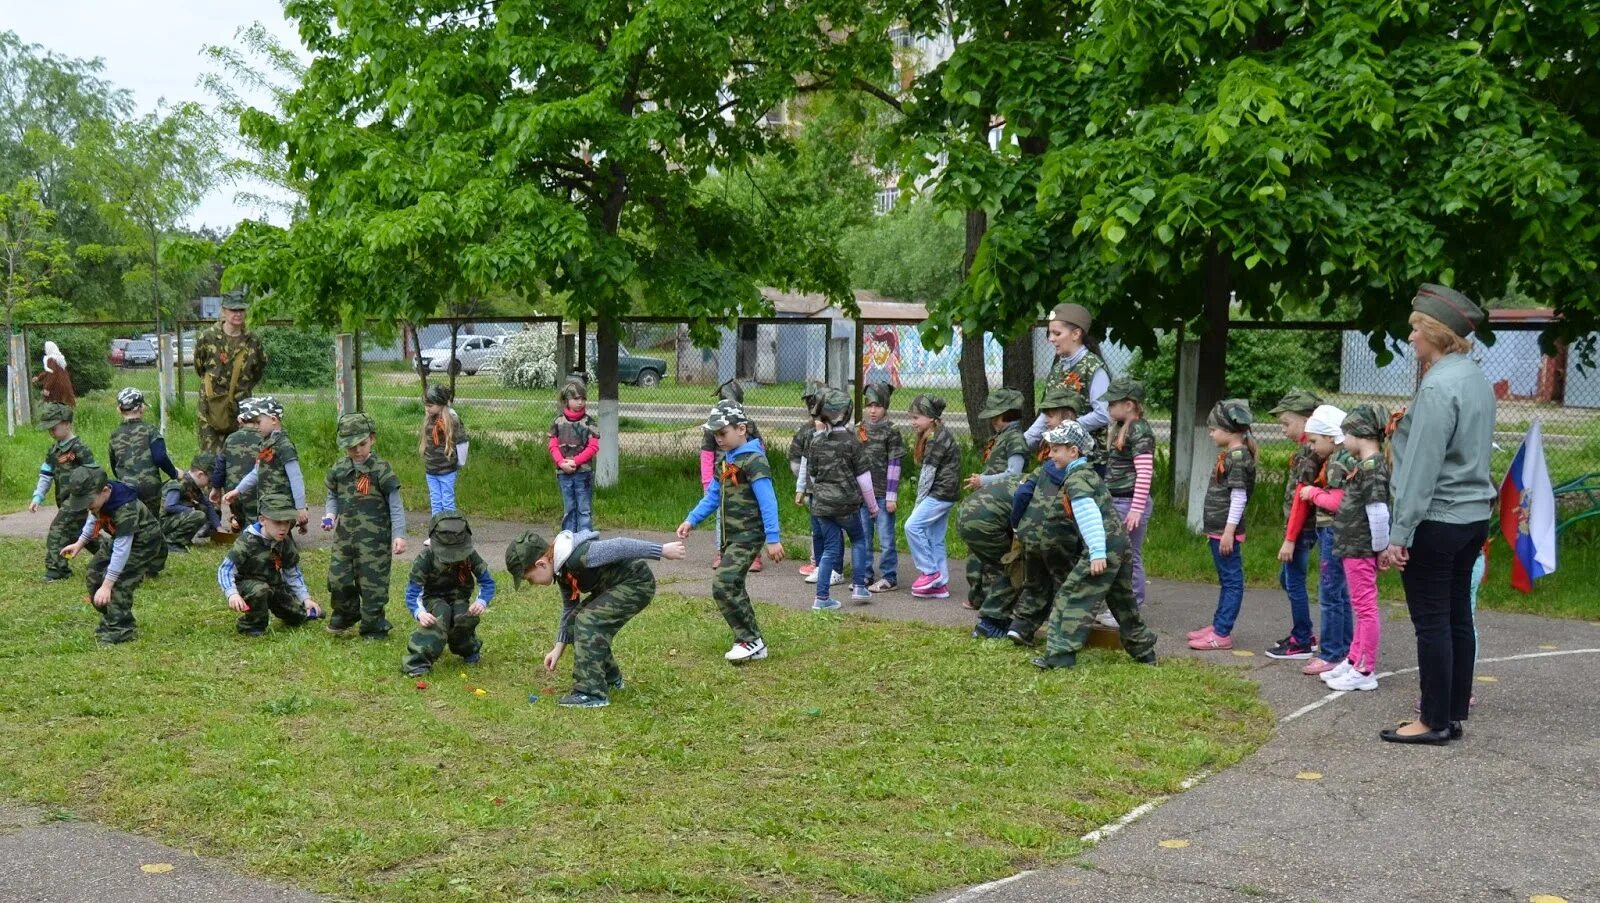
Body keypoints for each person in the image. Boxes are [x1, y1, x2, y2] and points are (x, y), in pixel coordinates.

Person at [1380, 284, 1495, 745]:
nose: (1410, 339)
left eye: (1414, 329)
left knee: (1431, 621)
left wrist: (1399, 532)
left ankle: (1432, 721)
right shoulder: (1474, 379)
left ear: (1435, 332)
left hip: (1438, 518)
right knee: (1456, 618)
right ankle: (1451, 713)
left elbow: (1420, 470)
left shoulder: (1438, 386)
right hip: (1471, 519)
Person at [508, 528, 688, 708]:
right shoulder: (561, 571)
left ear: (541, 564)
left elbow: (620, 546)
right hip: (614, 587)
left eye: (530, 579)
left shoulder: (578, 556)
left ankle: (590, 692)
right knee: (576, 620)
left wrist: (661, 550)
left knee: (588, 621)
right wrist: (558, 648)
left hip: (636, 584)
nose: (532, 584)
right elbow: (569, 609)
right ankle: (611, 678)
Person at [1029, 423, 1159, 669]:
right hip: (1119, 544)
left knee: (1071, 596)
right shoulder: (1089, 474)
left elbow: (1089, 515)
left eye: (1056, 449)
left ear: (1073, 452)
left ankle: (1060, 655)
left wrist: (1097, 553)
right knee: (1122, 600)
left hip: (1103, 547)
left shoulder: (1077, 480)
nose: (1050, 454)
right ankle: (1143, 650)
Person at [677, 400, 783, 664]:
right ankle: (753, 642)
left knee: (723, 583)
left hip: (748, 536)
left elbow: (768, 500)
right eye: (715, 434)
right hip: (730, 537)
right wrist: (691, 520)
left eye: (722, 433)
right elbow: (713, 496)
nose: (718, 439)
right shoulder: (726, 461)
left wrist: (773, 538)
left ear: (742, 429)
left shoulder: (754, 460)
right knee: (732, 585)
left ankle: (749, 639)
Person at [1308, 404, 1392, 692]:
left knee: (1365, 608)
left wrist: (1380, 549)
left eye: (1347, 435)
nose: (1344, 441)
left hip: (1361, 548)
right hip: (1352, 547)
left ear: (1360, 434)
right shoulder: (1365, 465)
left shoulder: (1372, 468)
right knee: (1359, 606)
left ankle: (1365, 669)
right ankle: (1353, 658)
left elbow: (1379, 511)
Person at [323, 412, 407, 639]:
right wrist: (330, 514)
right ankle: (346, 612)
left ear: (372, 439)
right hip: (345, 538)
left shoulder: (381, 469)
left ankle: (373, 624)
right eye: (351, 447)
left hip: (374, 542)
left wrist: (399, 534)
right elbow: (332, 494)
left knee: (373, 585)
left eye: (361, 444)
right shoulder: (340, 468)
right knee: (338, 578)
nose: (357, 451)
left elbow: (395, 504)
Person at [1287, 403, 1357, 675]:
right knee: (1339, 593)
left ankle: (1330, 652)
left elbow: (1338, 501)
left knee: (1330, 594)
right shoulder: (1341, 458)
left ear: (1330, 437)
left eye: (1315, 441)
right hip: (1342, 532)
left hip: (1333, 531)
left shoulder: (1338, 462)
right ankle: (1346, 647)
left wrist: (1312, 495)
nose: (1313, 447)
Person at [58, 466, 161, 645]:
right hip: (119, 538)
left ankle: (121, 629)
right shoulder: (99, 500)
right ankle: (113, 617)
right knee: (93, 573)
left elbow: (122, 549)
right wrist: (80, 543)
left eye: (89, 502)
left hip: (143, 542)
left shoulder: (125, 509)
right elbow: (94, 518)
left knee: (118, 582)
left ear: (105, 491)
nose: (88, 507)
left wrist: (107, 585)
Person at [797, 388, 880, 610]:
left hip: (822, 506)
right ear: (848, 412)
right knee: (859, 540)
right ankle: (860, 587)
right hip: (847, 506)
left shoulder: (815, 442)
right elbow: (864, 480)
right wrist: (872, 507)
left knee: (830, 550)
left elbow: (812, 476)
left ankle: (822, 598)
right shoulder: (853, 442)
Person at [1187, 400, 1258, 651]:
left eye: (1213, 428)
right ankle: (1218, 624)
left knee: (1231, 581)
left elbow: (1239, 496)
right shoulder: (1231, 454)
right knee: (1226, 580)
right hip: (1218, 530)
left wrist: (1229, 532)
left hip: (1226, 532)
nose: (1210, 433)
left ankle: (1222, 632)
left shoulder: (1238, 457)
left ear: (1228, 430)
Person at [1267, 390, 1325, 660]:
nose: (1283, 430)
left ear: (1306, 419)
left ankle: (1301, 640)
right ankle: (1303, 633)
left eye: (1286, 423)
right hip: (1300, 528)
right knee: (1287, 579)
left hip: (1302, 530)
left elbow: (1302, 501)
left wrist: (1290, 538)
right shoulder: (1308, 449)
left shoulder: (1309, 452)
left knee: (1294, 580)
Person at [402, 512, 495, 676]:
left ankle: (468, 649)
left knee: (463, 617)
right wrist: (420, 613)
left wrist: (481, 602)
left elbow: (487, 582)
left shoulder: (470, 555)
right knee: (441, 614)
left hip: (459, 597)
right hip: (433, 599)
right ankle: (417, 661)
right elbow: (413, 593)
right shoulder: (425, 558)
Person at [218, 492, 323, 636]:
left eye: (287, 522)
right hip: (248, 585)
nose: (283, 528)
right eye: (277, 522)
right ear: (262, 520)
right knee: (260, 590)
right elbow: (225, 569)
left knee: (298, 616)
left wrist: (306, 599)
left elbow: (292, 573)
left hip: (274, 585)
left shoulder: (285, 542)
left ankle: (303, 611)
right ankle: (252, 626)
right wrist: (232, 594)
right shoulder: (247, 541)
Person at [962, 388, 1028, 612]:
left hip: (1001, 503)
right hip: (989, 499)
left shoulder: (1015, 438)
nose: (992, 420)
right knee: (976, 553)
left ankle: (994, 599)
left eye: (995, 416)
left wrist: (984, 480)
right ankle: (977, 596)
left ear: (1005, 415)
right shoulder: (1002, 436)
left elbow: (1015, 473)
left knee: (993, 556)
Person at [1025, 303, 1112, 472]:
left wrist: (1065, 428)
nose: (1051, 339)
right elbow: (1047, 415)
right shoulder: (1058, 369)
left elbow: (1104, 414)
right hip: (1059, 457)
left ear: (1076, 334)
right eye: (1050, 333)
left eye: (1057, 333)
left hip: (1088, 460)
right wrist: (1023, 441)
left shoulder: (1094, 367)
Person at [108, 387, 181, 575]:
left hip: (125, 487)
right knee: (152, 524)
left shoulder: (115, 435)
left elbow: (114, 462)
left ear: (119, 409)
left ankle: (127, 561)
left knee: (129, 524)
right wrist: (174, 473)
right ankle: (153, 566)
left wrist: (123, 478)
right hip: (149, 486)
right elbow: (160, 458)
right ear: (141, 408)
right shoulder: (150, 431)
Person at [1103, 377, 1156, 618]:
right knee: (1119, 555)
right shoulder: (1123, 428)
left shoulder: (1140, 430)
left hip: (1130, 502)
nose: (1109, 408)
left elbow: (1145, 472)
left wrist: (1136, 508)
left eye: (1113, 403)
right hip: (1118, 501)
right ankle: (1118, 607)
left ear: (1129, 404)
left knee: (1129, 556)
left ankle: (1130, 609)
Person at [30, 402, 98, 581]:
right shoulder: (54, 450)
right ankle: (111, 556)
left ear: (67, 424)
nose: (51, 432)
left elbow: (94, 473)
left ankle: (56, 570)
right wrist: (38, 496)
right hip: (64, 499)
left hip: (79, 500)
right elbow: (46, 474)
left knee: (57, 530)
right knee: (81, 533)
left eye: (54, 428)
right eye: (48, 429)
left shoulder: (79, 448)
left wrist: (95, 500)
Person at [194, 292, 268, 453]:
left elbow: (258, 371)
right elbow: (200, 367)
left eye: (241, 310)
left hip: (241, 408)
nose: (238, 314)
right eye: (233, 310)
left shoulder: (253, 341)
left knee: (241, 458)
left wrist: (241, 389)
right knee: (210, 460)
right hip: (211, 408)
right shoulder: (207, 338)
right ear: (223, 312)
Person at [703, 378, 764, 572]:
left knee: (750, 519)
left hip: (744, 481)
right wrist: (707, 482)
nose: (719, 438)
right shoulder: (712, 427)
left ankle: (754, 556)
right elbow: (706, 455)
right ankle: (723, 553)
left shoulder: (748, 425)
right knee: (722, 518)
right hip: (722, 479)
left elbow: (760, 447)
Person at [904, 394, 961, 599]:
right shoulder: (937, 434)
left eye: (916, 418)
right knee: (935, 538)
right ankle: (940, 585)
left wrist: (918, 504)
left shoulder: (936, 439)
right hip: (947, 493)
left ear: (931, 418)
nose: (913, 422)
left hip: (940, 493)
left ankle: (930, 572)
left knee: (912, 526)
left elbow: (927, 475)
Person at [222, 396, 309, 529]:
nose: (255, 426)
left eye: (258, 422)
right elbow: (256, 472)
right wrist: (238, 490)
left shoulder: (284, 446)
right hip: (267, 504)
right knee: (260, 537)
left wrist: (300, 507)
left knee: (272, 538)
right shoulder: (265, 444)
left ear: (273, 420)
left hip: (281, 506)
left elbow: (295, 477)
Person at [961, 470, 1028, 639]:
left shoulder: (1026, 479)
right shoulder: (1046, 489)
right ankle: (989, 622)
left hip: (966, 512)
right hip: (987, 520)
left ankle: (981, 601)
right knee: (1015, 567)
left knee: (992, 562)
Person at [858, 382, 904, 592]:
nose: (873, 410)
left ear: (885, 406)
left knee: (885, 538)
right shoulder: (859, 428)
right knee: (864, 536)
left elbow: (895, 463)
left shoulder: (891, 431)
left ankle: (889, 576)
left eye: (877, 405)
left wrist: (892, 495)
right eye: (869, 405)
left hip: (884, 495)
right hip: (862, 496)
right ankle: (866, 575)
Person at [548, 380, 599, 533]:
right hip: (564, 473)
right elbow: (553, 445)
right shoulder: (558, 422)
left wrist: (575, 461)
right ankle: (568, 541)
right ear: (566, 400)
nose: (580, 402)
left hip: (583, 474)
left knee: (584, 510)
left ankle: (585, 541)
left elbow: (593, 447)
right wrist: (561, 462)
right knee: (569, 509)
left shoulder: (589, 422)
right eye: (576, 399)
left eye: (583, 399)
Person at [789, 381, 827, 580]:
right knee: (818, 525)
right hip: (808, 476)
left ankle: (821, 563)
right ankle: (817, 562)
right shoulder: (810, 429)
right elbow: (801, 461)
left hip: (819, 484)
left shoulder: (819, 428)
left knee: (822, 526)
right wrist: (802, 487)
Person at [213, 398, 265, 531]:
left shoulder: (230, 439)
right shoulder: (265, 439)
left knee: (242, 516)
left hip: (233, 493)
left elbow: (220, 466)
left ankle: (240, 522)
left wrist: (216, 488)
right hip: (257, 492)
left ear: (240, 420)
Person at [420, 384, 469, 515]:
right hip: (431, 470)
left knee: (447, 502)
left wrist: (459, 462)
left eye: (430, 406)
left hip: (447, 470)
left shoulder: (452, 420)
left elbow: (462, 442)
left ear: (441, 404)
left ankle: (449, 532)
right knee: (435, 502)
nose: (427, 409)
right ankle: (436, 533)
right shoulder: (429, 419)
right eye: (426, 405)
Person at [160, 452, 222, 553]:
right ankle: (171, 542)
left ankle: (183, 539)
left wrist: (219, 528)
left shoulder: (193, 484)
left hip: (170, 520)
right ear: (200, 475)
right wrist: (190, 510)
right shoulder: (178, 483)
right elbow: (169, 506)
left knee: (202, 509)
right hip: (161, 522)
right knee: (198, 515)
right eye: (209, 480)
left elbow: (208, 506)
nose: (209, 484)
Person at [33, 340, 75, 407]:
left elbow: (52, 374)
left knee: (55, 408)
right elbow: (49, 372)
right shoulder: (59, 358)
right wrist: (39, 378)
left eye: (46, 348)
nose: (45, 350)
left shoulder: (51, 359)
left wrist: (47, 388)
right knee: (66, 406)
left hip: (57, 386)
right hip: (64, 385)